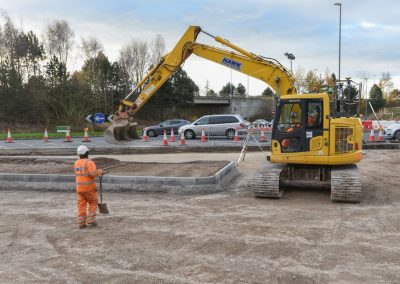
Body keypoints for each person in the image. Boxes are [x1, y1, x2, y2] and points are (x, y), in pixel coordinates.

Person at [74, 145, 104, 229]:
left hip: (79, 189)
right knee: (93, 202)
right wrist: (99, 172)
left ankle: (81, 222)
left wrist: (97, 172)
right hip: (89, 189)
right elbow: (92, 174)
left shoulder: (76, 163)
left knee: (81, 205)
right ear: (87, 153)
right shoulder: (89, 162)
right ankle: (91, 220)